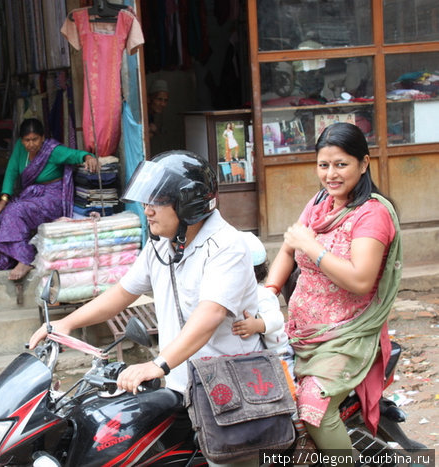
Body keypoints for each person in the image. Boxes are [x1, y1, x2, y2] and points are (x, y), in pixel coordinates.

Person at [29, 150, 263, 467]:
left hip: (227, 391)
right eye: (145, 202)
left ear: (188, 204)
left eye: (157, 202)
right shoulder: (162, 246)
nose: (147, 211)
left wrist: (158, 364)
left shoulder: (226, 247)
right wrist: (65, 325)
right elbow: (123, 292)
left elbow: (210, 315)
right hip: (182, 386)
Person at [265, 122, 402, 464]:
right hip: (303, 333)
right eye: (323, 165)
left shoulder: (372, 214)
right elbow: (287, 249)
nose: (331, 174)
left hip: (347, 336)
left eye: (341, 164)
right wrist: (268, 292)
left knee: (315, 412)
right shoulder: (319, 203)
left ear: (364, 164)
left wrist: (312, 246)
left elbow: (359, 280)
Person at [0, 118, 99, 281]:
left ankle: (25, 259)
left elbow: (76, 155)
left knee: (16, 211)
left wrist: (89, 157)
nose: (31, 144)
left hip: (52, 198)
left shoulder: (53, 150)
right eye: (27, 140)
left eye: (35, 139)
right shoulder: (20, 148)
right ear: (21, 140)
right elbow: (11, 171)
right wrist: (4, 199)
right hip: (31, 196)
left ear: (43, 138)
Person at [232, 232, 294, 376]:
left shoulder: (261, 295)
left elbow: (277, 319)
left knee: (287, 388)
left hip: (279, 354)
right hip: (259, 359)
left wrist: (256, 325)